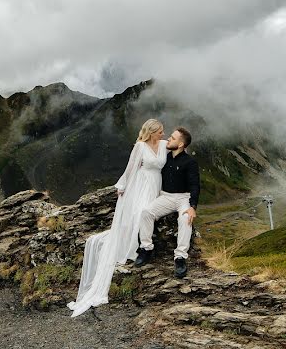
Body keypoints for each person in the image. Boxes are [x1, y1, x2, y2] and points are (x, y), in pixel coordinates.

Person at [67, 119, 167, 317]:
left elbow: (178, 152)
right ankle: (137, 247)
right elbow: (131, 168)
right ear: (151, 132)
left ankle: (142, 244)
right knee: (139, 213)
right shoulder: (140, 146)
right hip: (141, 185)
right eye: (160, 132)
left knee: (148, 214)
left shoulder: (164, 145)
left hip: (157, 184)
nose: (163, 134)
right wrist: (122, 186)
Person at [133, 126, 200, 279]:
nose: (168, 139)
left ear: (181, 144)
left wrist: (192, 206)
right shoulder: (165, 157)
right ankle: (146, 248)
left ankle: (180, 257)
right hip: (166, 196)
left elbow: (195, 185)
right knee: (146, 212)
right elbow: (150, 154)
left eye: (173, 138)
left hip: (184, 197)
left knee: (185, 219)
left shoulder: (190, 162)